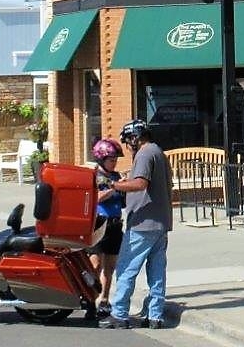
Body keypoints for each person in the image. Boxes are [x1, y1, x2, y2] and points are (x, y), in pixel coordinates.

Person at [98, 119, 172, 330]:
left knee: (126, 269)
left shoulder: (144, 154)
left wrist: (114, 184)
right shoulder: (158, 152)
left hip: (143, 224)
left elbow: (140, 183)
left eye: (128, 142)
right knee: (156, 271)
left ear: (135, 137)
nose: (128, 147)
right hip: (161, 222)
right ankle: (155, 316)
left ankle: (119, 314)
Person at [89, 138, 125, 315]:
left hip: (115, 225)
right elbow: (95, 198)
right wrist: (113, 189)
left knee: (110, 267)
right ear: (101, 159)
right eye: (112, 160)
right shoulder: (95, 176)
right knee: (95, 266)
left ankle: (104, 299)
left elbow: (123, 201)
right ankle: (90, 299)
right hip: (98, 224)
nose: (115, 162)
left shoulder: (116, 177)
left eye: (116, 159)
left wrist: (124, 186)